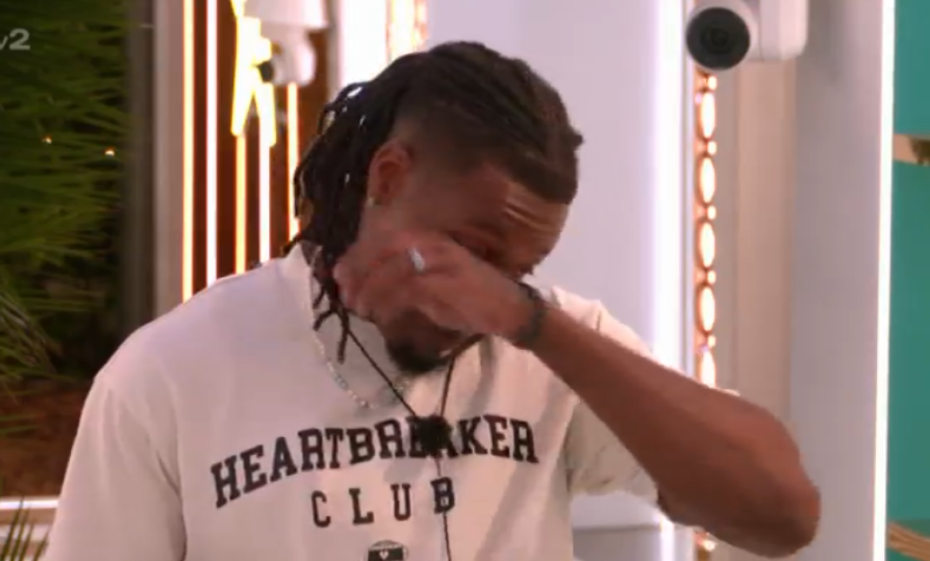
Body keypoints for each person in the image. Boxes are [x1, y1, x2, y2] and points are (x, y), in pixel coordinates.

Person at [44, 41, 819, 561]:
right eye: (470, 252)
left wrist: (533, 323)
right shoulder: (172, 371)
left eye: (518, 270)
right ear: (387, 176)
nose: (479, 298)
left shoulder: (545, 343)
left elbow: (781, 515)